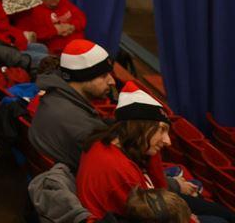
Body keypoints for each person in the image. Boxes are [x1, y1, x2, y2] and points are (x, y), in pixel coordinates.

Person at [77, 84, 234, 222]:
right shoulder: (119, 171)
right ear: (140, 127)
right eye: (162, 130)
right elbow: (151, 216)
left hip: (154, 203)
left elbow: (159, 189)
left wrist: (150, 147)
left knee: (225, 214)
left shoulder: (107, 143)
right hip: (150, 212)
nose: (168, 141)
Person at [28, 39, 116, 171]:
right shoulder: (84, 127)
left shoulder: (53, 97)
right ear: (82, 77)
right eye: (103, 76)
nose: (112, 81)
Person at [17, 0, 90, 54]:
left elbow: (81, 17)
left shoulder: (62, 1)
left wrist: (72, 26)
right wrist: (55, 30)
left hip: (79, 47)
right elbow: (30, 34)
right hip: (55, 53)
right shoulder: (30, 10)